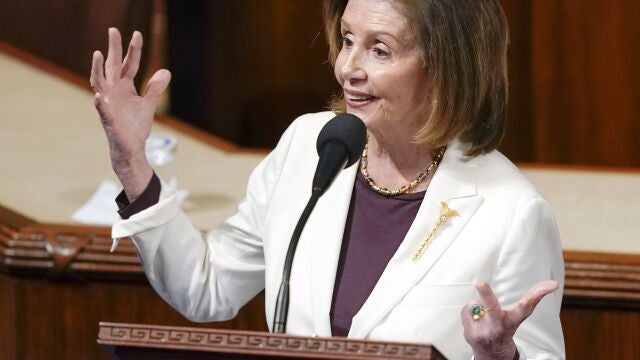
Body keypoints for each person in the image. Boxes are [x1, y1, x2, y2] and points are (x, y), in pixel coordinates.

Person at [90, 0, 564, 359]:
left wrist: (503, 356)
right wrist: (134, 165)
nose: (347, 68)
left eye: (379, 50)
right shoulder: (308, 144)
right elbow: (207, 287)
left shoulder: (511, 212)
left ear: (446, 68)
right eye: (347, 39)